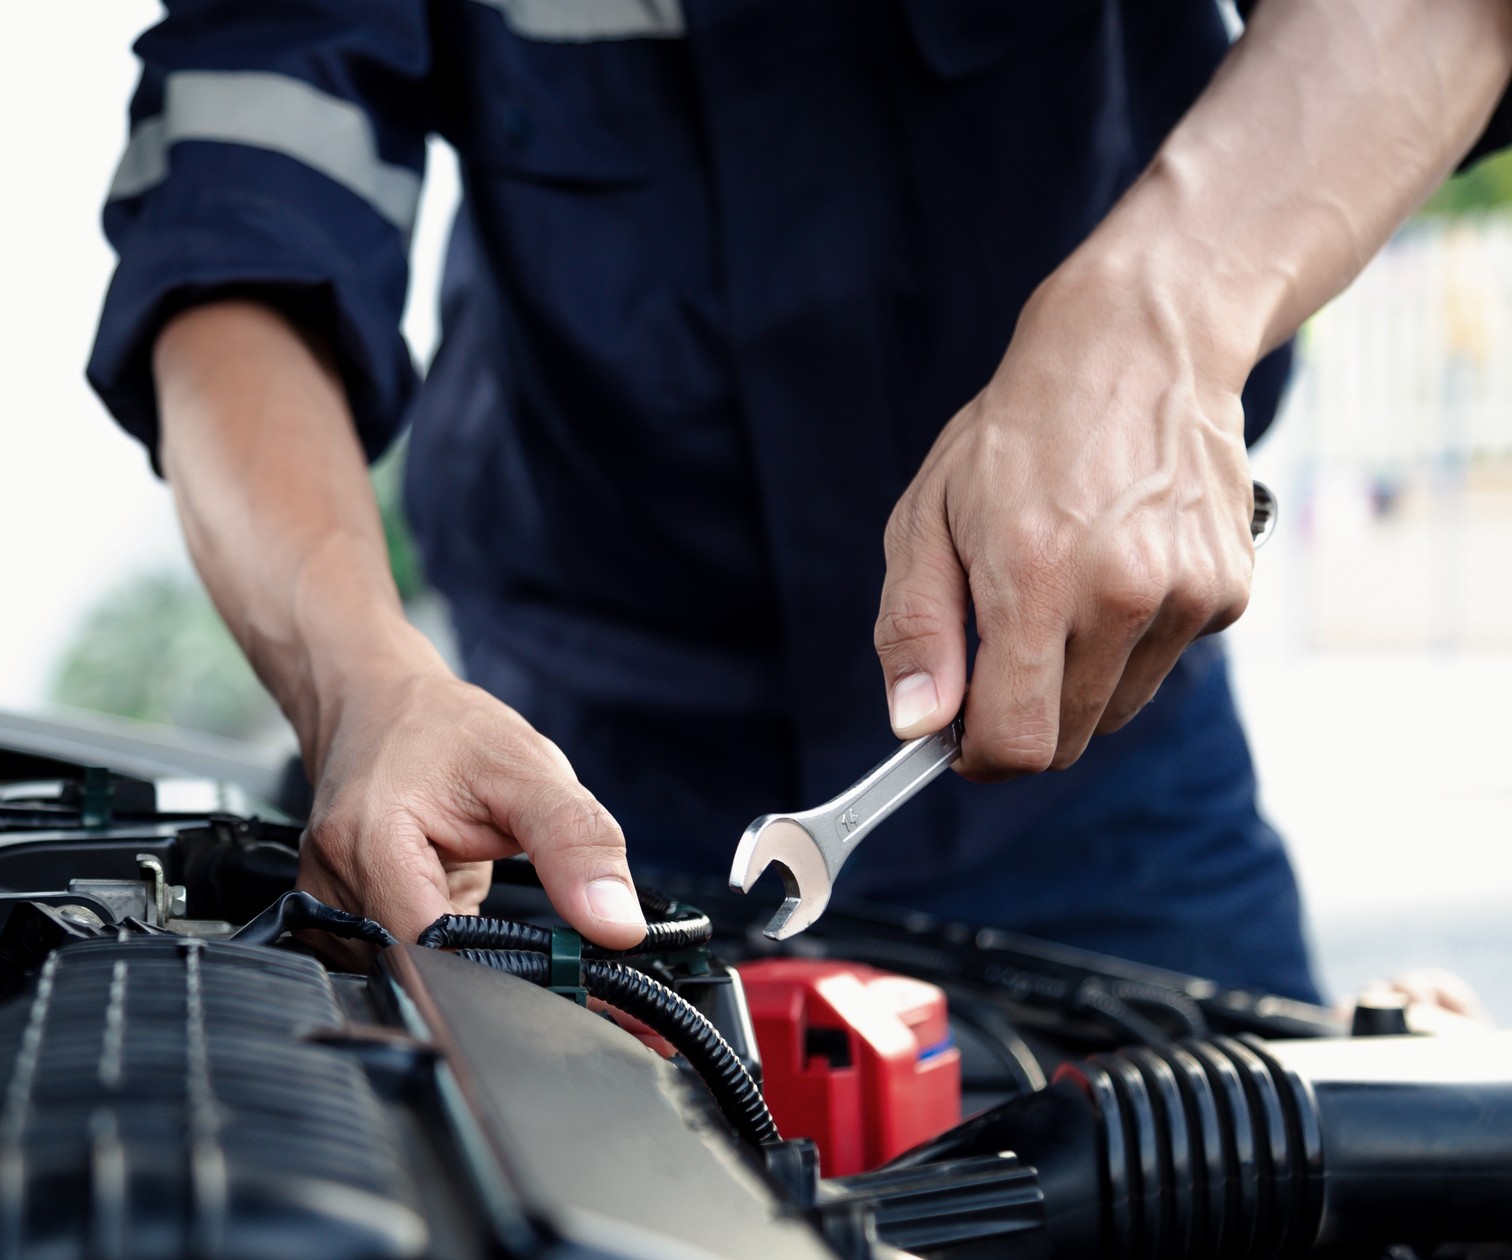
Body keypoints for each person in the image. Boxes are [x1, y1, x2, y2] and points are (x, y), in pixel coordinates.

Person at [85, 0, 1512, 1001]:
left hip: (1102, 770)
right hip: (560, 807)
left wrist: (1165, 311)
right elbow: (236, 212)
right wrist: (359, 684)